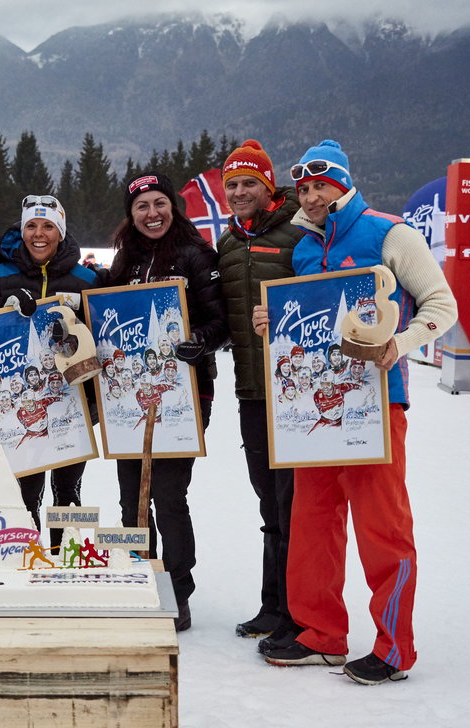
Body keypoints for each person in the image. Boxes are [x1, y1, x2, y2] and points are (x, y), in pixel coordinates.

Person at [253, 139, 457, 684]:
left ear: (342, 185)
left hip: (375, 406)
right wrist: (275, 323)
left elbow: (443, 305)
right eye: (305, 187)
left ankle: (394, 647)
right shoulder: (301, 248)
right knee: (313, 523)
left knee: (382, 528)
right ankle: (321, 634)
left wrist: (402, 341)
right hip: (315, 411)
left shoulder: (388, 232)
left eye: (322, 185)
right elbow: (306, 324)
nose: (312, 194)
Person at [108, 172, 228, 631]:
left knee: (167, 494)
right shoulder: (124, 261)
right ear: (131, 214)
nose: (151, 213)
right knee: (130, 499)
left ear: (173, 207)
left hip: (185, 393)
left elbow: (222, 322)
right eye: (142, 206)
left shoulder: (197, 255)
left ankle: (179, 588)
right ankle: (139, 576)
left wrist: (200, 340)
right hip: (129, 396)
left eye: (160, 203)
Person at [215, 140, 303, 644]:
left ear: (268, 188)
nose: (241, 191)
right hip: (250, 391)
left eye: (250, 182)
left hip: (296, 391)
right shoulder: (228, 246)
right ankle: (273, 606)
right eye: (233, 184)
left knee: (294, 504)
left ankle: (296, 610)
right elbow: (226, 321)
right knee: (269, 502)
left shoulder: (299, 235)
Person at [0, 194, 101, 552]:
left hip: (73, 405)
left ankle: (65, 558)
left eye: (48, 226)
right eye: (31, 225)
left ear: (60, 233)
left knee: (67, 490)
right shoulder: (3, 274)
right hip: (23, 407)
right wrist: (0, 306)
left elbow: (104, 337)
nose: (39, 233)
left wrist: (82, 318)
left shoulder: (86, 278)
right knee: (24, 491)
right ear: (22, 229)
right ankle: (26, 560)